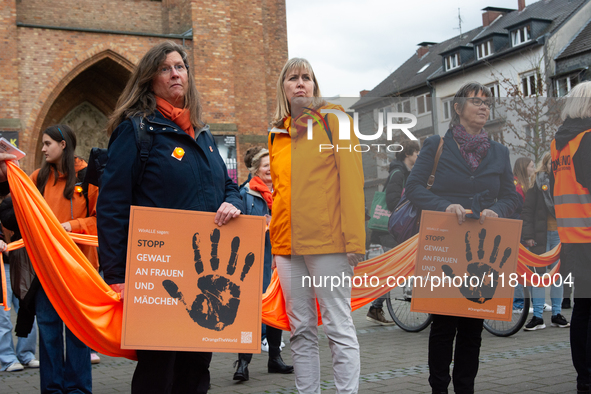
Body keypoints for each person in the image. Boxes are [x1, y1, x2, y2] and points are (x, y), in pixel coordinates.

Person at [97, 41, 242, 394]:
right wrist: (117, 277)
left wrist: (233, 202)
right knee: (158, 371)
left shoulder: (203, 135)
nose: (175, 73)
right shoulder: (137, 131)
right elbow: (112, 205)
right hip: (158, 272)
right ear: (150, 79)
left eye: (180, 67)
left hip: (203, 272)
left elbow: (228, 185)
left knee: (196, 370)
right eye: (165, 68)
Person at [405, 82, 520, 394]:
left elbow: (512, 197)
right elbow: (414, 188)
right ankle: (439, 389)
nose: (483, 107)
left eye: (487, 102)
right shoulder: (436, 144)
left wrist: (498, 209)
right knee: (443, 325)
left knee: (473, 325)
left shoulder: (499, 152)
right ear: (457, 108)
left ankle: (465, 388)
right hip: (445, 243)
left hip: (482, 248)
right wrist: (445, 206)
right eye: (475, 101)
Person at [268, 58, 365, 394]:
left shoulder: (334, 120)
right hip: (286, 245)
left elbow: (352, 181)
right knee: (301, 330)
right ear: (283, 86)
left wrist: (355, 241)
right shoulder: (276, 133)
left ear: (314, 86)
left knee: (338, 326)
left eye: (306, 78)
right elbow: (279, 192)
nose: (300, 83)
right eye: (292, 78)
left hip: (328, 243)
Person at [31, 124, 98, 393]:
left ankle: (78, 390)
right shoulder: (37, 178)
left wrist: (74, 225)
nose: (44, 149)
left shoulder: (88, 177)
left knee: (78, 333)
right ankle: (52, 389)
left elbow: (101, 219)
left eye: (48, 144)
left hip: (80, 270)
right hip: (46, 269)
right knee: (48, 333)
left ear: (63, 145)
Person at [232, 146, 293, 381]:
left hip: (279, 259)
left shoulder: (283, 191)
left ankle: (274, 359)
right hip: (253, 261)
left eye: (273, 165)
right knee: (249, 310)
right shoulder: (246, 193)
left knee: (275, 307)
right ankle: (243, 362)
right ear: (256, 168)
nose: (270, 169)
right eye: (266, 165)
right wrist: (261, 223)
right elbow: (237, 226)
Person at [551, 81, 591, 393]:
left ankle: (584, 377)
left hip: (571, 236)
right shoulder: (587, 139)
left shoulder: (559, 143)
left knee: (582, 307)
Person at [366, 139, 420, 326]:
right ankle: (376, 306)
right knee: (395, 269)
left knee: (395, 269)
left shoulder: (403, 173)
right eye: (416, 152)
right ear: (407, 154)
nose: (419, 155)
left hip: (392, 230)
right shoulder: (398, 173)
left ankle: (376, 307)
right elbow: (392, 201)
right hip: (388, 230)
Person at [521, 152, 569, 331]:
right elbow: (527, 211)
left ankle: (557, 314)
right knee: (538, 276)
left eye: (557, 163)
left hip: (560, 235)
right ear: (546, 165)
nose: (554, 166)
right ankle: (538, 317)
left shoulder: (565, 182)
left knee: (557, 275)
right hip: (540, 236)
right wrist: (528, 236)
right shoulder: (537, 183)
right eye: (551, 163)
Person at [0, 196, 39, 372]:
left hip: (23, 262)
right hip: (3, 266)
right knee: (4, 313)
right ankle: (7, 358)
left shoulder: (20, 200)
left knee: (27, 306)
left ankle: (27, 354)